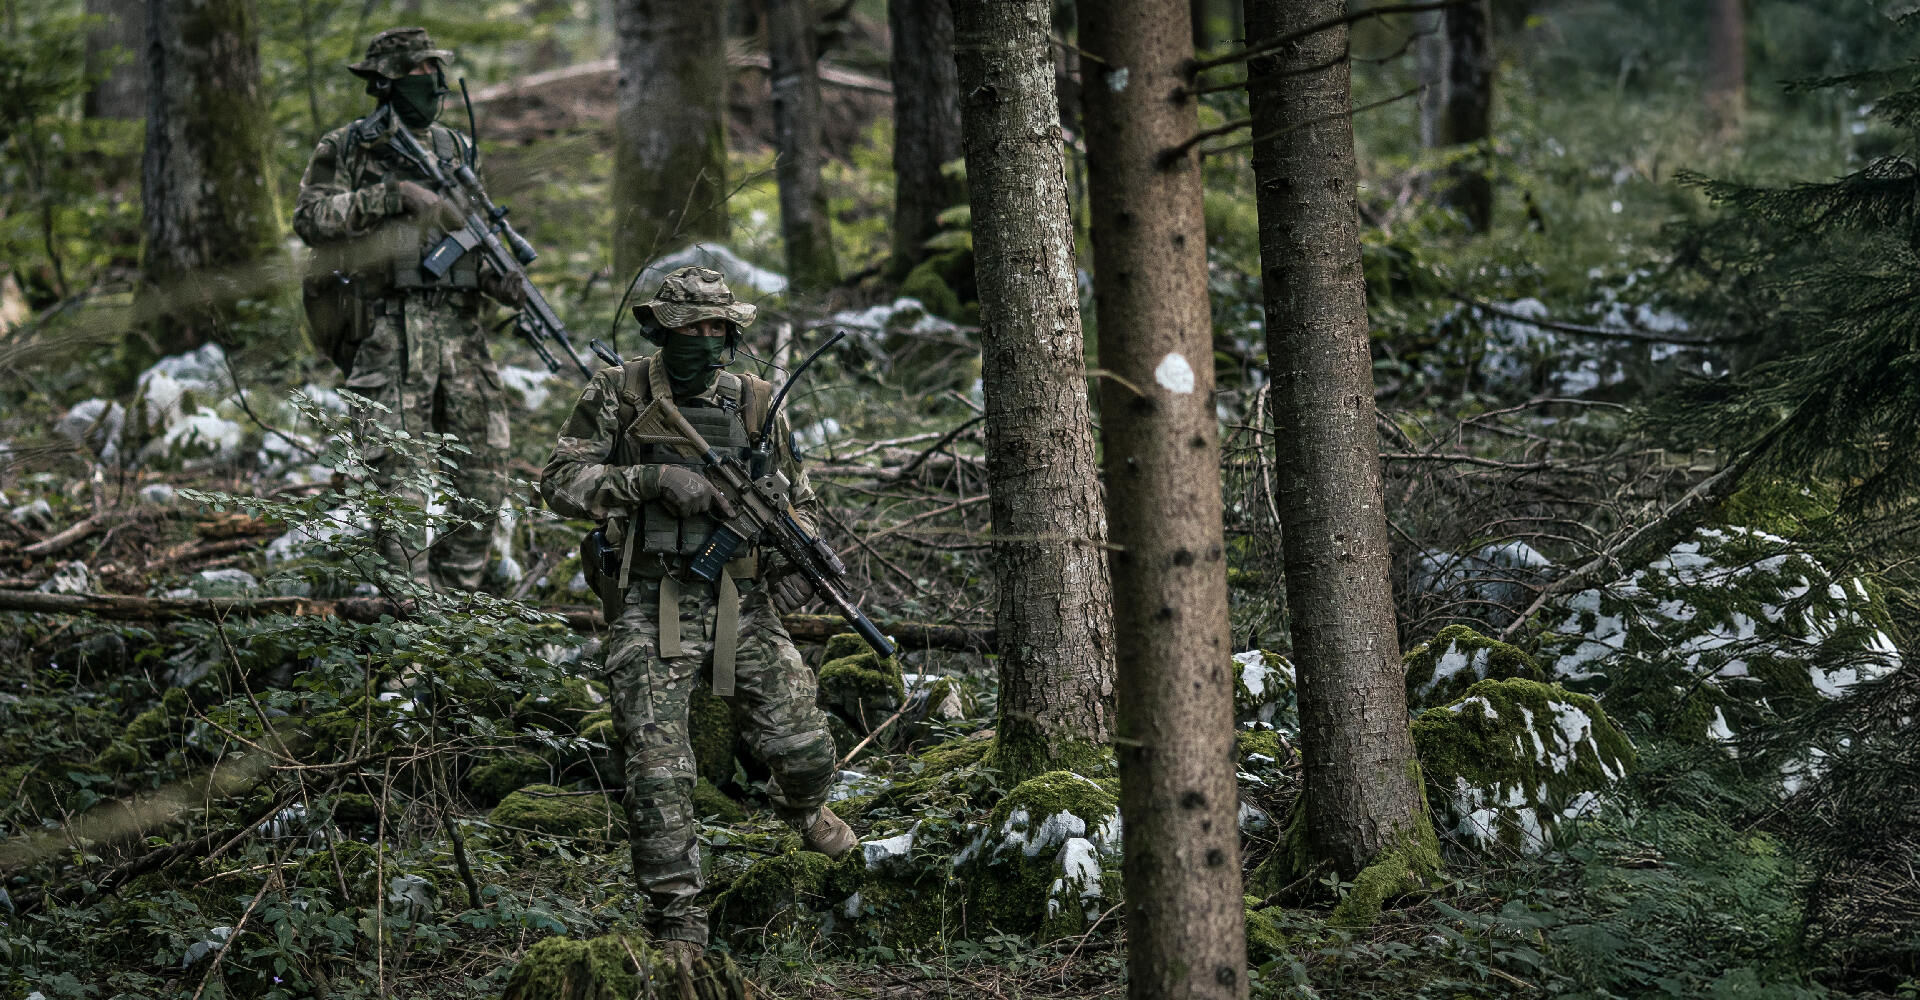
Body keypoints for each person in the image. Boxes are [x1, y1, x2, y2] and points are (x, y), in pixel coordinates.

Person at [540, 267, 856, 956]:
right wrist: (653, 479)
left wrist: (788, 545)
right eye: (690, 329)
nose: (705, 341)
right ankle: (676, 914)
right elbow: (559, 481)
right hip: (653, 602)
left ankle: (802, 808)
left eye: (718, 328)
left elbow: (799, 498)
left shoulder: (756, 401)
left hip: (741, 602)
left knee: (804, 747)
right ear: (661, 329)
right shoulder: (618, 393)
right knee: (658, 770)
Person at [293, 27, 523, 591]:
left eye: (436, 72)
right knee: (397, 480)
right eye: (420, 73)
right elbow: (310, 220)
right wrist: (393, 196)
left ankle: (459, 600)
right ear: (388, 81)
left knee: (485, 469)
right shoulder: (346, 146)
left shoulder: (455, 150)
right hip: (386, 331)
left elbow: (472, 233)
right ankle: (409, 615)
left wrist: (504, 280)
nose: (434, 83)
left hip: (460, 331)